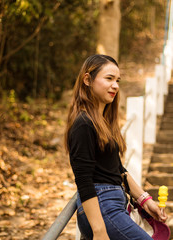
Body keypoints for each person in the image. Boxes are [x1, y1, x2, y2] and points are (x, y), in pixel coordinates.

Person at [64, 54, 167, 240]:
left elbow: (118, 170)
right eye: (109, 78)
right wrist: (99, 230)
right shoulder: (83, 124)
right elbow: (84, 180)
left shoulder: (102, 122)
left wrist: (145, 201)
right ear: (87, 79)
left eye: (117, 80)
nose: (116, 85)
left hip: (115, 203)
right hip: (102, 208)